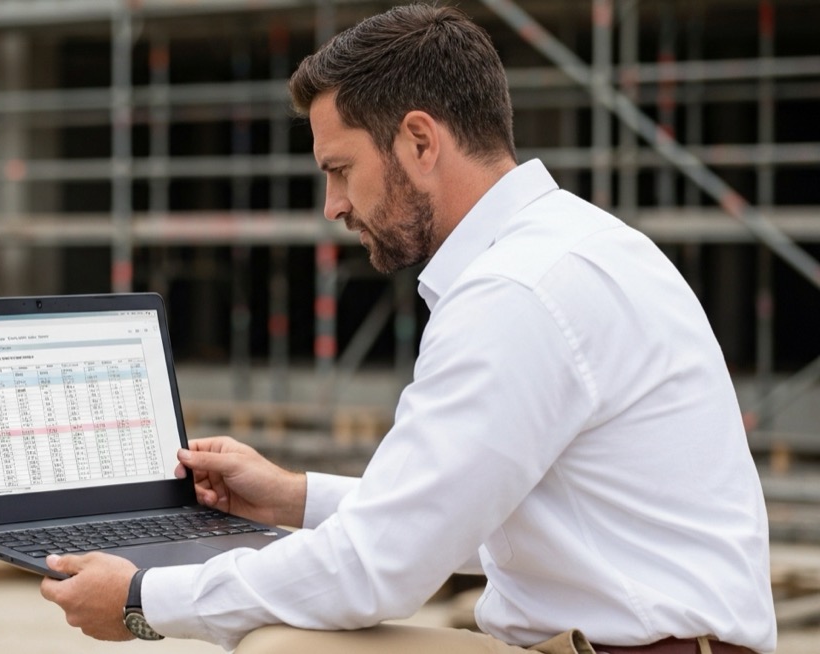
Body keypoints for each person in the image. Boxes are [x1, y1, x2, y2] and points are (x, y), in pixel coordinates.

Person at [40, 4, 777, 653]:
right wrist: (291, 497)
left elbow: (375, 570)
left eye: (340, 168)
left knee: (285, 645)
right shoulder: (571, 246)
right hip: (654, 643)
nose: (332, 204)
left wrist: (143, 602)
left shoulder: (513, 294)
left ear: (420, 142)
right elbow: (445, 513)